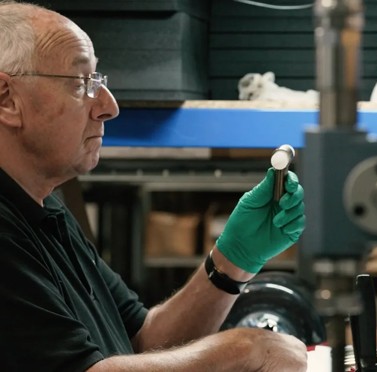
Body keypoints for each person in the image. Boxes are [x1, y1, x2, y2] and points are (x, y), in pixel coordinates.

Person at [0, 1, 308, 371]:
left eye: (100, 81)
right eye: (82, 83)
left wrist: (233, 261)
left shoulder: (44, 209)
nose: (108, 106)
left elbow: (143, 341)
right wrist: (244, 350)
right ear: (6, 99)